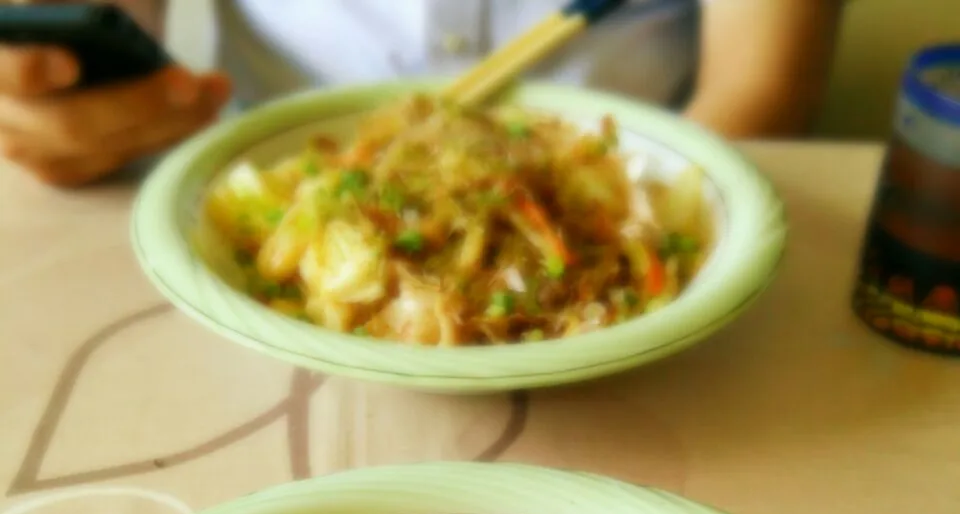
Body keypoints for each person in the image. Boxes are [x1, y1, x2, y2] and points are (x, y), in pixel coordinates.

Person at [0, 0, 844, 187]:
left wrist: (644, 207)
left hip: (631, 177)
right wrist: (73, 105)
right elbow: (96, 25)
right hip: (268, 188)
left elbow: (762, 84)